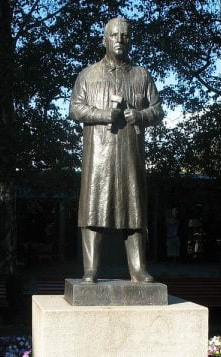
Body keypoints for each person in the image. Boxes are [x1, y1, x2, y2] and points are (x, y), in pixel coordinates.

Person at [69, 17, 164, 282]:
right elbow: (75, 109)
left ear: (129, 39)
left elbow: (157, 110)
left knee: (134, 209)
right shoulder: (88, 74)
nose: (119, 39)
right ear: (105, 39)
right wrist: (103, 114)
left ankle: (137, 269)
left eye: (124, 35)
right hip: (98, 154)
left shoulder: (141, 75)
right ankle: (90, 269)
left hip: (130, 153)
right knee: (93, 209)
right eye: (114, 35)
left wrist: (140, 115)